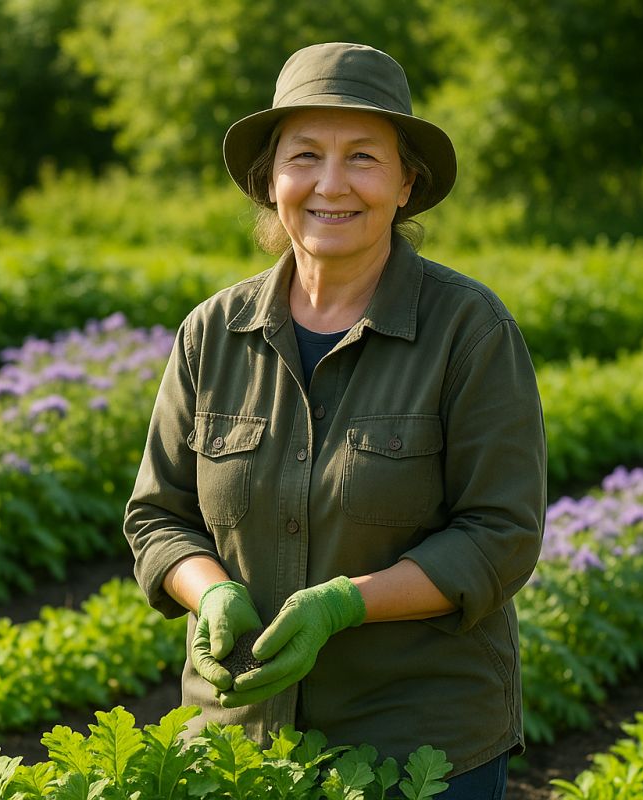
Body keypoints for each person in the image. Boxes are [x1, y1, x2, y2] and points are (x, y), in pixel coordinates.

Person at [124, 41, 546, 799]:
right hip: (237, 740)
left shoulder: (468, 330)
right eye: (305, 155)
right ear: (270, 179)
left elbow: (500, 534)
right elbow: (160, 518)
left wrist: (345, 604)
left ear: (406, 181)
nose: (330, 184)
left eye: (362, 157)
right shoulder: (212, 334)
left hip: (417, 745)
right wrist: (212, 591)